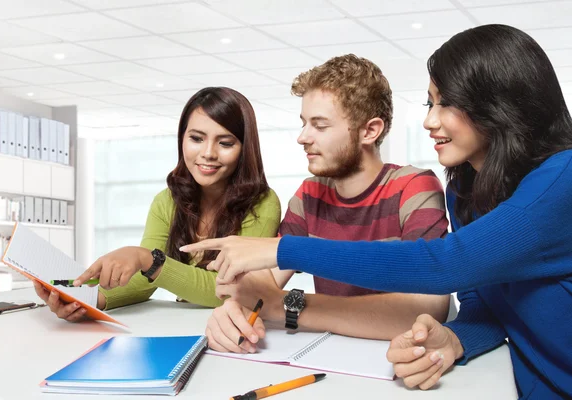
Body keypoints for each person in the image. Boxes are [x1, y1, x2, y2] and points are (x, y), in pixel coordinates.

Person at [183, 25, 572, 399]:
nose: (430, 120)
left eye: (447, 103)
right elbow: (482, 300)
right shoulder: (467, 189)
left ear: (499, 104)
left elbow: (447, 266)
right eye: (431, 102)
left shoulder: (571, 177)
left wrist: (283, 250)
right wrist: (456, 340)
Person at [188, 55, 451, 354]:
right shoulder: (309, 194)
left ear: (369, 131)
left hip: (398, 358)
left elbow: (427, 308)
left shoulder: (414, 186)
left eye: (320, 125)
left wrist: (286, 307)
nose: (302, 137)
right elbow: (263, 281)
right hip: (329, 353)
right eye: (304, 123)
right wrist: (233, 309)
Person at [34, 87, 281, 322]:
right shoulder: (167, 201)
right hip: (182, 330)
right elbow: (145, 280)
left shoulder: (262, 204)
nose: (208, 153)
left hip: (233, 333)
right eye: (196, 138)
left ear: (244, 148)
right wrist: (86, 301)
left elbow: (230, 290)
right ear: (182, 139)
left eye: (225, 143)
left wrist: (150, 260)